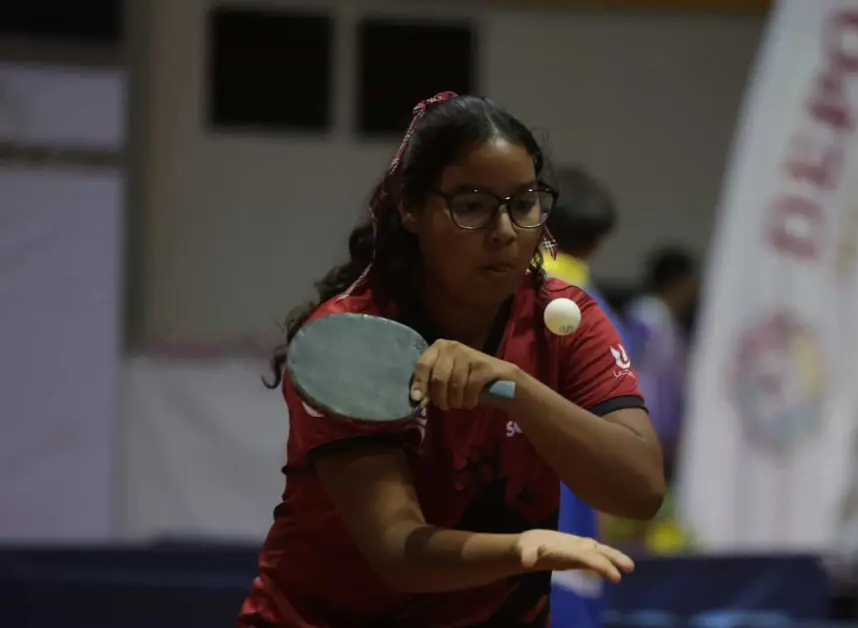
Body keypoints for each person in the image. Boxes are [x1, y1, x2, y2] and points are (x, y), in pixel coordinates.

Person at [238, 92, 665, 627]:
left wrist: (517, 388)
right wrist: (518, 550)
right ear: (412, 209)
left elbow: (641, 490)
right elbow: (398, 550)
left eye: (524, 204)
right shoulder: (353, 337)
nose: (505, 231)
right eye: (472, 206)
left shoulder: (566, 319)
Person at [539, 165, 630, 628]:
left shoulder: (489, 299)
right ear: (598, 241)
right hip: (574, 557)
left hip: (489, 552)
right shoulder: (605, 318)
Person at [624, 246, 697, 482]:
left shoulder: (670, 321)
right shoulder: (646, 314)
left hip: (665, 425)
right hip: (645, 418)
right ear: (679, 281)